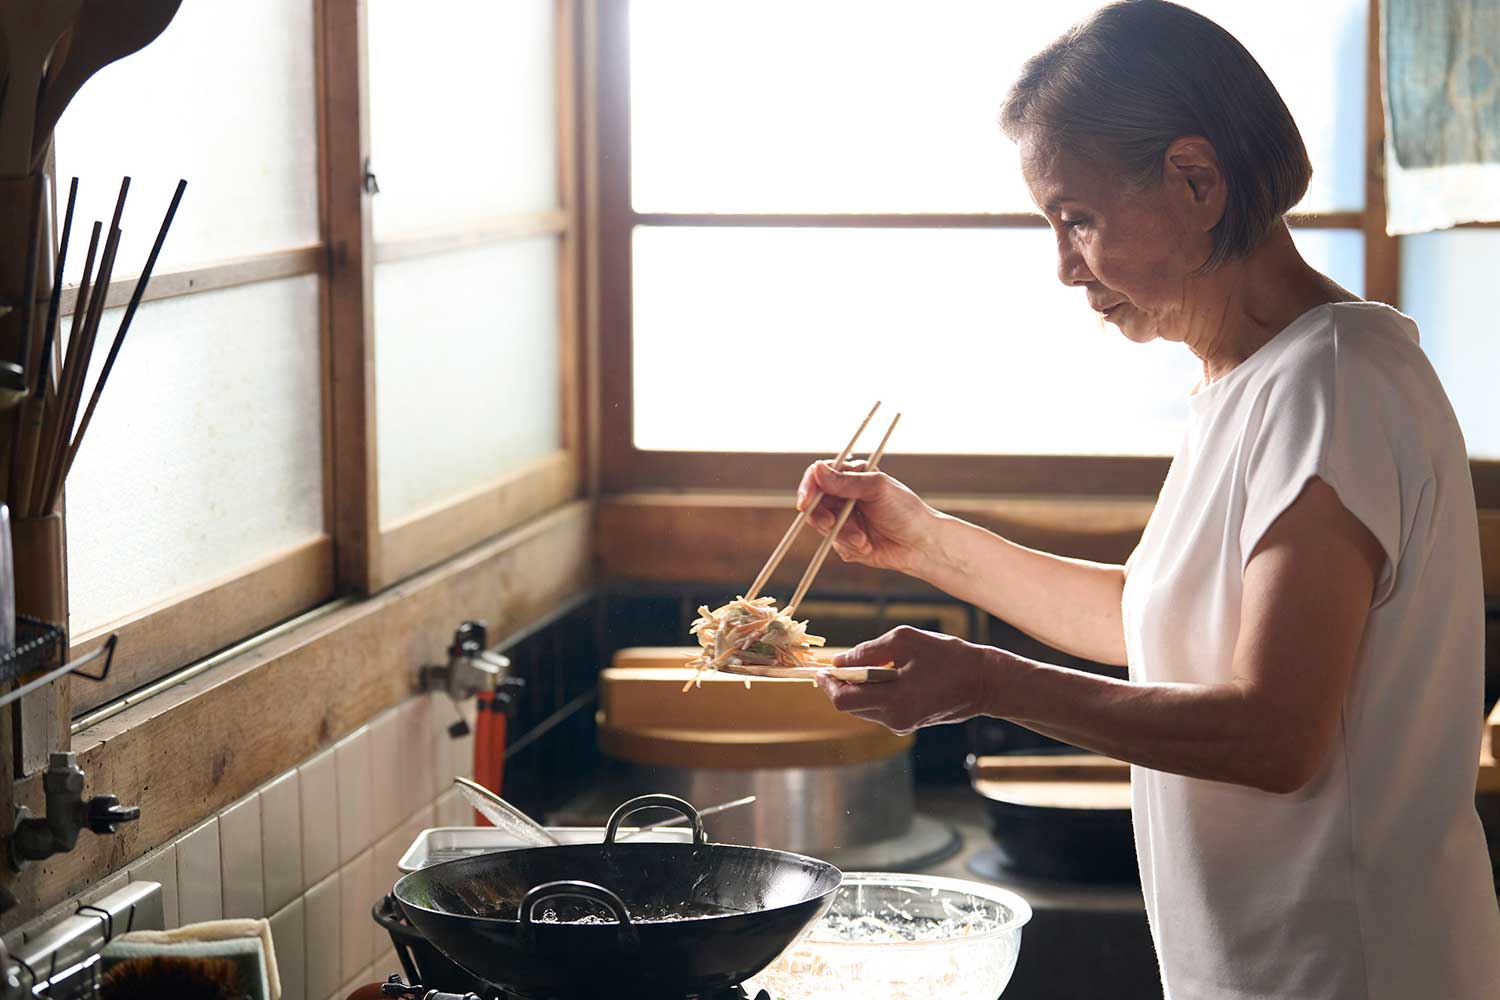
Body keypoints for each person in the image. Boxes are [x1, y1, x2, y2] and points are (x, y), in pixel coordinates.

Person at [800, 3, 1500, 998]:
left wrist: (989, 683)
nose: (1063, 266)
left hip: (1352, 972)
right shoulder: (1251, 380)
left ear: (1197, 180)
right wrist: (923, 542)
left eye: (1076, 217)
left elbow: (1274, 732)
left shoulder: (1334, 380)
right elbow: (1155, 619)